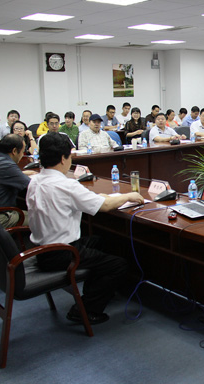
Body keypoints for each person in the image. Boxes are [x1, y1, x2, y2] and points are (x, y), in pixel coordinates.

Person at [27, 132, 144, 324]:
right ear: (63, 158)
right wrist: (129, 196)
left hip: (41, 249)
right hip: (61, 253)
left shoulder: (35, 180)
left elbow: (93, 200)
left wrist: (105, 198)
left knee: (99, 241)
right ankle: (85, 310)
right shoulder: (66, 185)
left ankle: (95, 292)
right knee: (118, 265)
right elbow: (105, 206)